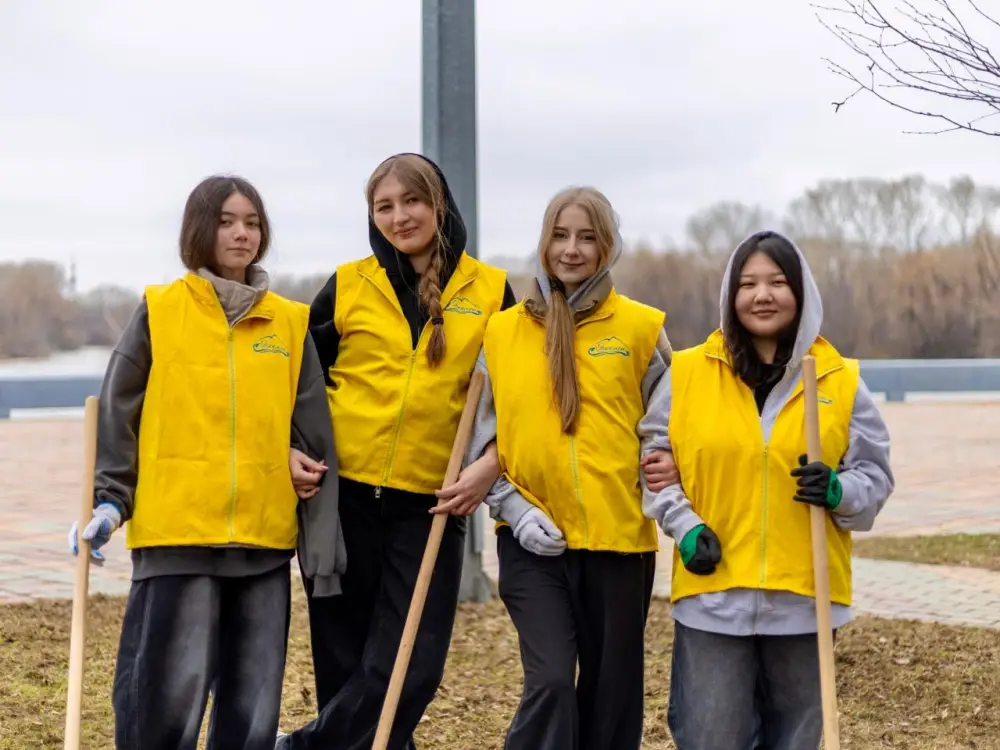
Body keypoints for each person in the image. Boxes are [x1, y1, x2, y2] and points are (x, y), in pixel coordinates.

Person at [68, 174, 345, 750]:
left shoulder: (289, 322)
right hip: (178, 537)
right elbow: (119, 414)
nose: (242, 233)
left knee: (251, 717)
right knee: (163, 709)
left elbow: (311, 430)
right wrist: (110, 501)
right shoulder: (160, 310)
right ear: (199, 229)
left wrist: (313, 526)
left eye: (252, 222)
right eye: (226, 222)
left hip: (262, 543)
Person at [279, 152, 517, 750]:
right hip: (342, 496)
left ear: (439, 205)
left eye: (411, 201)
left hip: (433, 501)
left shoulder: (491, 292)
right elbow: (289, 384)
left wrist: (489, 466)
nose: (399, 216)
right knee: (344, 659)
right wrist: (286, 449)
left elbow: (524, 401)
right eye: (383, 206)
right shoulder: (348, 285)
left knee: (413, 666)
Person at [642, 230, 894, 750]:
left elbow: (875, 477)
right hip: (713, 595)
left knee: (796, 739)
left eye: (778, 282)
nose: (762, 295)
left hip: (805, 598)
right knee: (711, 737)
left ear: (801, 292)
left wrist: (839, 490)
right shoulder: (687, 373)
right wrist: (685, 527)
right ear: (729, 295)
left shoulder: (839, 379)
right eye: (748, 283)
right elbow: (653, 465)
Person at [466, 186, 674, 750]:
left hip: (619, 541)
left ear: (607, 246)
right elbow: (479, 438)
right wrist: (513, 508)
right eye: (560, 235)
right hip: (531, 542)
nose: (572, 249)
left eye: (587, 237)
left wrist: (660, 473)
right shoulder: (501, 333)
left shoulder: (641, 328)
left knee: (612, 695)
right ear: (544, 241)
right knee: (553, 680)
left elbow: (664, 428)